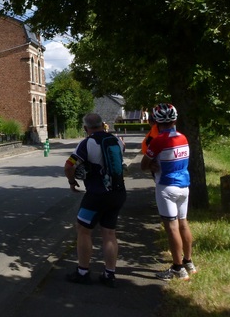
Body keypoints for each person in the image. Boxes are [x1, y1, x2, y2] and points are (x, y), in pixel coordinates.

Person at [64, 113, 127, 287]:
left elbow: (69, 166)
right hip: (118, 193)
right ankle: (109, 275)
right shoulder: (117, 141)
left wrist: (72, 181)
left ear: (86, 128)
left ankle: (83, 272)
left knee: (83, 229)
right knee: (109, 233)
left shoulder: (87, 143)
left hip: (97, 195)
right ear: (102, 125)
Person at [141, 103, 196, 281]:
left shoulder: (159, 140)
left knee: (171, 228)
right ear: (175, 119)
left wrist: (152, 164)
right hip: (184, 186)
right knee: (183, 224)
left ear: (156, 121)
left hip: (166, 186)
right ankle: (189, 263)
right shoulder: (183, 137)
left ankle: (177, 269)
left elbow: (143, 165)